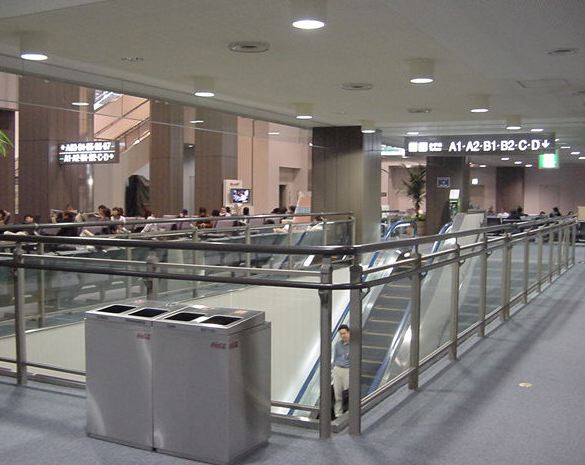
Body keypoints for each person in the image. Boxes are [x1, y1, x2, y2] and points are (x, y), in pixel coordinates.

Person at [332, 324, 350, 418]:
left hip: (348, 370)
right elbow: (335, 358)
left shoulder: (354, 345)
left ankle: (348, 413)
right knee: (337, 393)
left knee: (347, 393)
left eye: (344, 333)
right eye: (341, 334)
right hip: (337, 369)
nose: (343, 335)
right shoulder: (338, 345)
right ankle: (338, 414)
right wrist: (334, 368)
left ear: (348, 332)